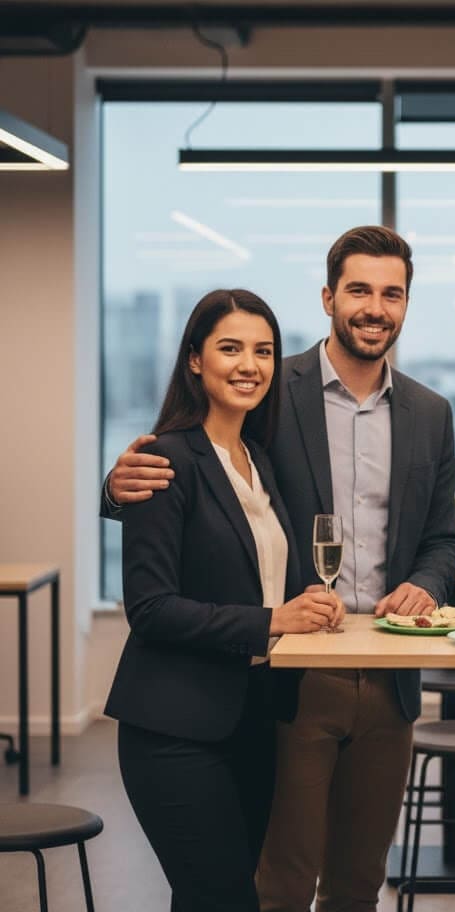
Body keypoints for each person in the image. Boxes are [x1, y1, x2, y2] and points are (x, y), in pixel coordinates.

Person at [105, 225, 455, 912]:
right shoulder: (272, 390)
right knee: (279, 883)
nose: (375, 307)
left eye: (392, 294)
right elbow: (195, 469)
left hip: (391, 678)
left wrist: (425, 582)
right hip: (290, 675)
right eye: (359, 289)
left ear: (407, 304)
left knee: (359, 884)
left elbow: (441, 539)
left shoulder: (431, 412)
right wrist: (115, 487)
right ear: (329, 297)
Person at [105, 289, 344, 911]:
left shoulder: (257, 459)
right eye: (230, 348)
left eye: (263, 351)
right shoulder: (162, 459)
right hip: (175, 727)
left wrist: (309, 602)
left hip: (253, 718)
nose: (250, 365)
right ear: (194, 360)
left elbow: (258, 576)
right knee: (223, 896)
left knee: (219, 895)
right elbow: (151, 609)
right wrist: (273, 621)